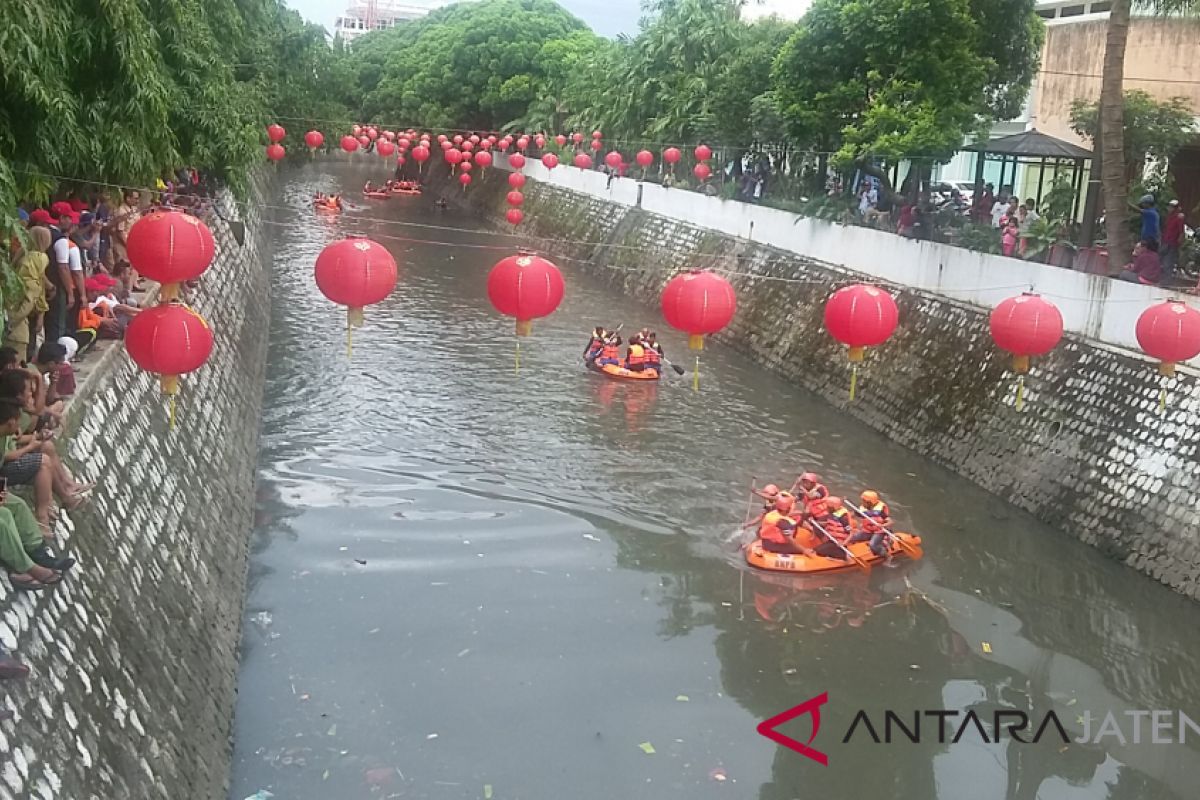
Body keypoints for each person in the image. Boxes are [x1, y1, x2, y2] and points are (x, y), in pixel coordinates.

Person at [5, 226, 50, 356]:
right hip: (27, 310)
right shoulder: (40, 257)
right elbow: (39, 286)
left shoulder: (22, 255)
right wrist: (42, 312)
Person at [847, 490, 892, 558]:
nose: (862, 502)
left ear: (870, 502)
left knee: (873, 545)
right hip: (867, 530)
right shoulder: (863, 508)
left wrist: (882, 525)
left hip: (879, 531)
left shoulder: (881, 510)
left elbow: (890, 521)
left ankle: (887, 555)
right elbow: (853, 514)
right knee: (852, 538)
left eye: (864, 501)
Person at [1162, 200, 1186, 278]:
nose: (1169, 208)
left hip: (1172, 243)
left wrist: (1178, 243)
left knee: (1168, 263)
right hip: (1166, 242)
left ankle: (1167, 280)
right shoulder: (1169, 217)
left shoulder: (1179, 218)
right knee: (1163, 261)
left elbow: (1181, 232)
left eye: (1171, 207)